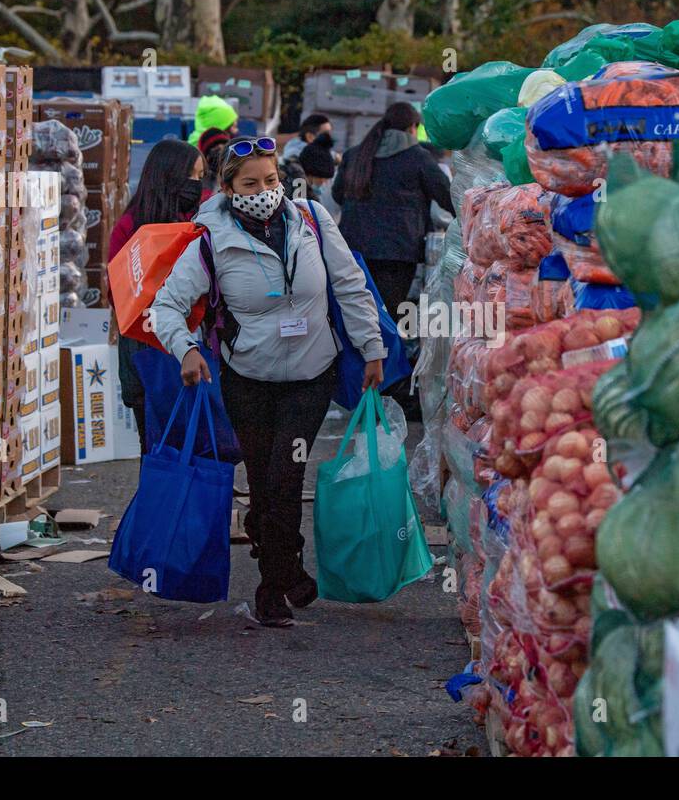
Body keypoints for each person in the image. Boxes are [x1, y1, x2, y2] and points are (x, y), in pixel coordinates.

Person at [151, 136, 386, 627]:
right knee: (263, 481)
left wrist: (373, 348)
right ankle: (278, 556)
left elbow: (350, 285)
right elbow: (167, 306)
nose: (265, 190)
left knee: (286, 472)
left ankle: (275, 584)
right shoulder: (209, 238)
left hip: (310, 373)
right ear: (228, 188)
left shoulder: (313, 222)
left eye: (272, 180)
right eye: (251, 183)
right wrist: (187, 349)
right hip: (249, 379)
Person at [106, 139, 205, 456]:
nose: (198, 185)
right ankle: (162, 503)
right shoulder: (130, 227)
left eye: (202, 176)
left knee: (190, 443)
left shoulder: (199, 224)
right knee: (155, 447)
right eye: (193, 176)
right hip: (145, 353)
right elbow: (117, 294)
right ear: (170, 176)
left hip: (189, 350)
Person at [333, 101, 453, 319]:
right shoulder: (419, 158)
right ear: (412, 128)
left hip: (352, 249)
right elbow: (447, 195)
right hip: (397, 254)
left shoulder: (355, 155)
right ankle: (386, 353)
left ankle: (356, 354)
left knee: (355, 314)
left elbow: (337, 194)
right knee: (387, 315)